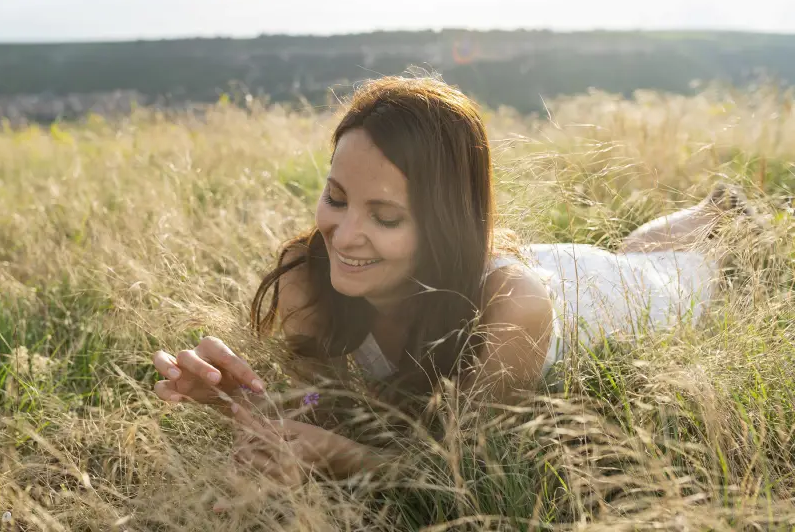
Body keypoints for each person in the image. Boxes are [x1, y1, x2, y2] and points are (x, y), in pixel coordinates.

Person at [150, 76, 762, 483]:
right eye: (336, 198)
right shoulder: (308, 284)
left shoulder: (513, 310)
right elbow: (332, 404)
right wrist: (252, 402)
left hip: (594, 297)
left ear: (445, 224)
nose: (344, 234)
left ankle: (725, 215)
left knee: (669, 269)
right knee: (634, 250)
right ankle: (714, 210)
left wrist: (343, 460)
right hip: (527, 266)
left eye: (385, 216)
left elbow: (461, 471)